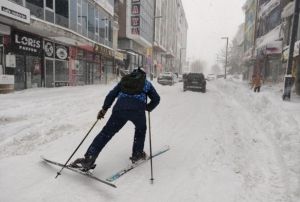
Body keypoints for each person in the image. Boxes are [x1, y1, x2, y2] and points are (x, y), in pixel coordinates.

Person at [70, 68, 160, 171]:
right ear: (143, 75)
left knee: (106, 133)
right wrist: (148, 107)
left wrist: (104, 109)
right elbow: (156, 99)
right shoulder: (146, 83)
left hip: (119, 110)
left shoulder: (124, 80)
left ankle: (89, 159)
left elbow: (111, 95)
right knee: (140, 129)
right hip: (137, 111)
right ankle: (137, 154)